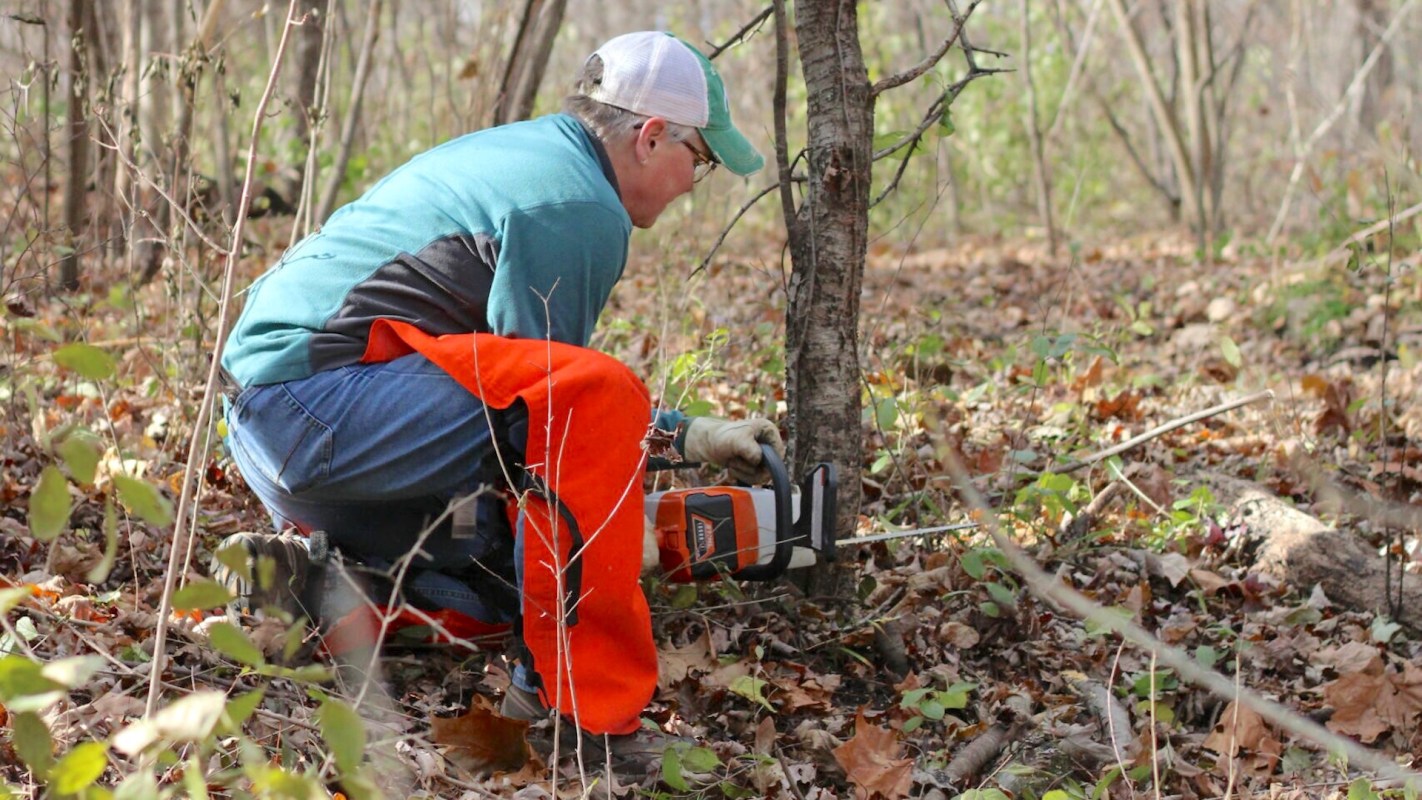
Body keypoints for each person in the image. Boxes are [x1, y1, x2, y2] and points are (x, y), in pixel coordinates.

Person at [215, 31, 783, 763]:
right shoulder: (578, 206)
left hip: (278, 425)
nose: (689, 185)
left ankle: (334, 583)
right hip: (318, 414)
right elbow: (559, 416)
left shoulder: (533, 156)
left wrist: (687, 437)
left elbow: (512, 386)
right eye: (698, 160)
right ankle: (571, 711)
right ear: (649, 138)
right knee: (591, 407)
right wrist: (608, 537)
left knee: (487, 569)